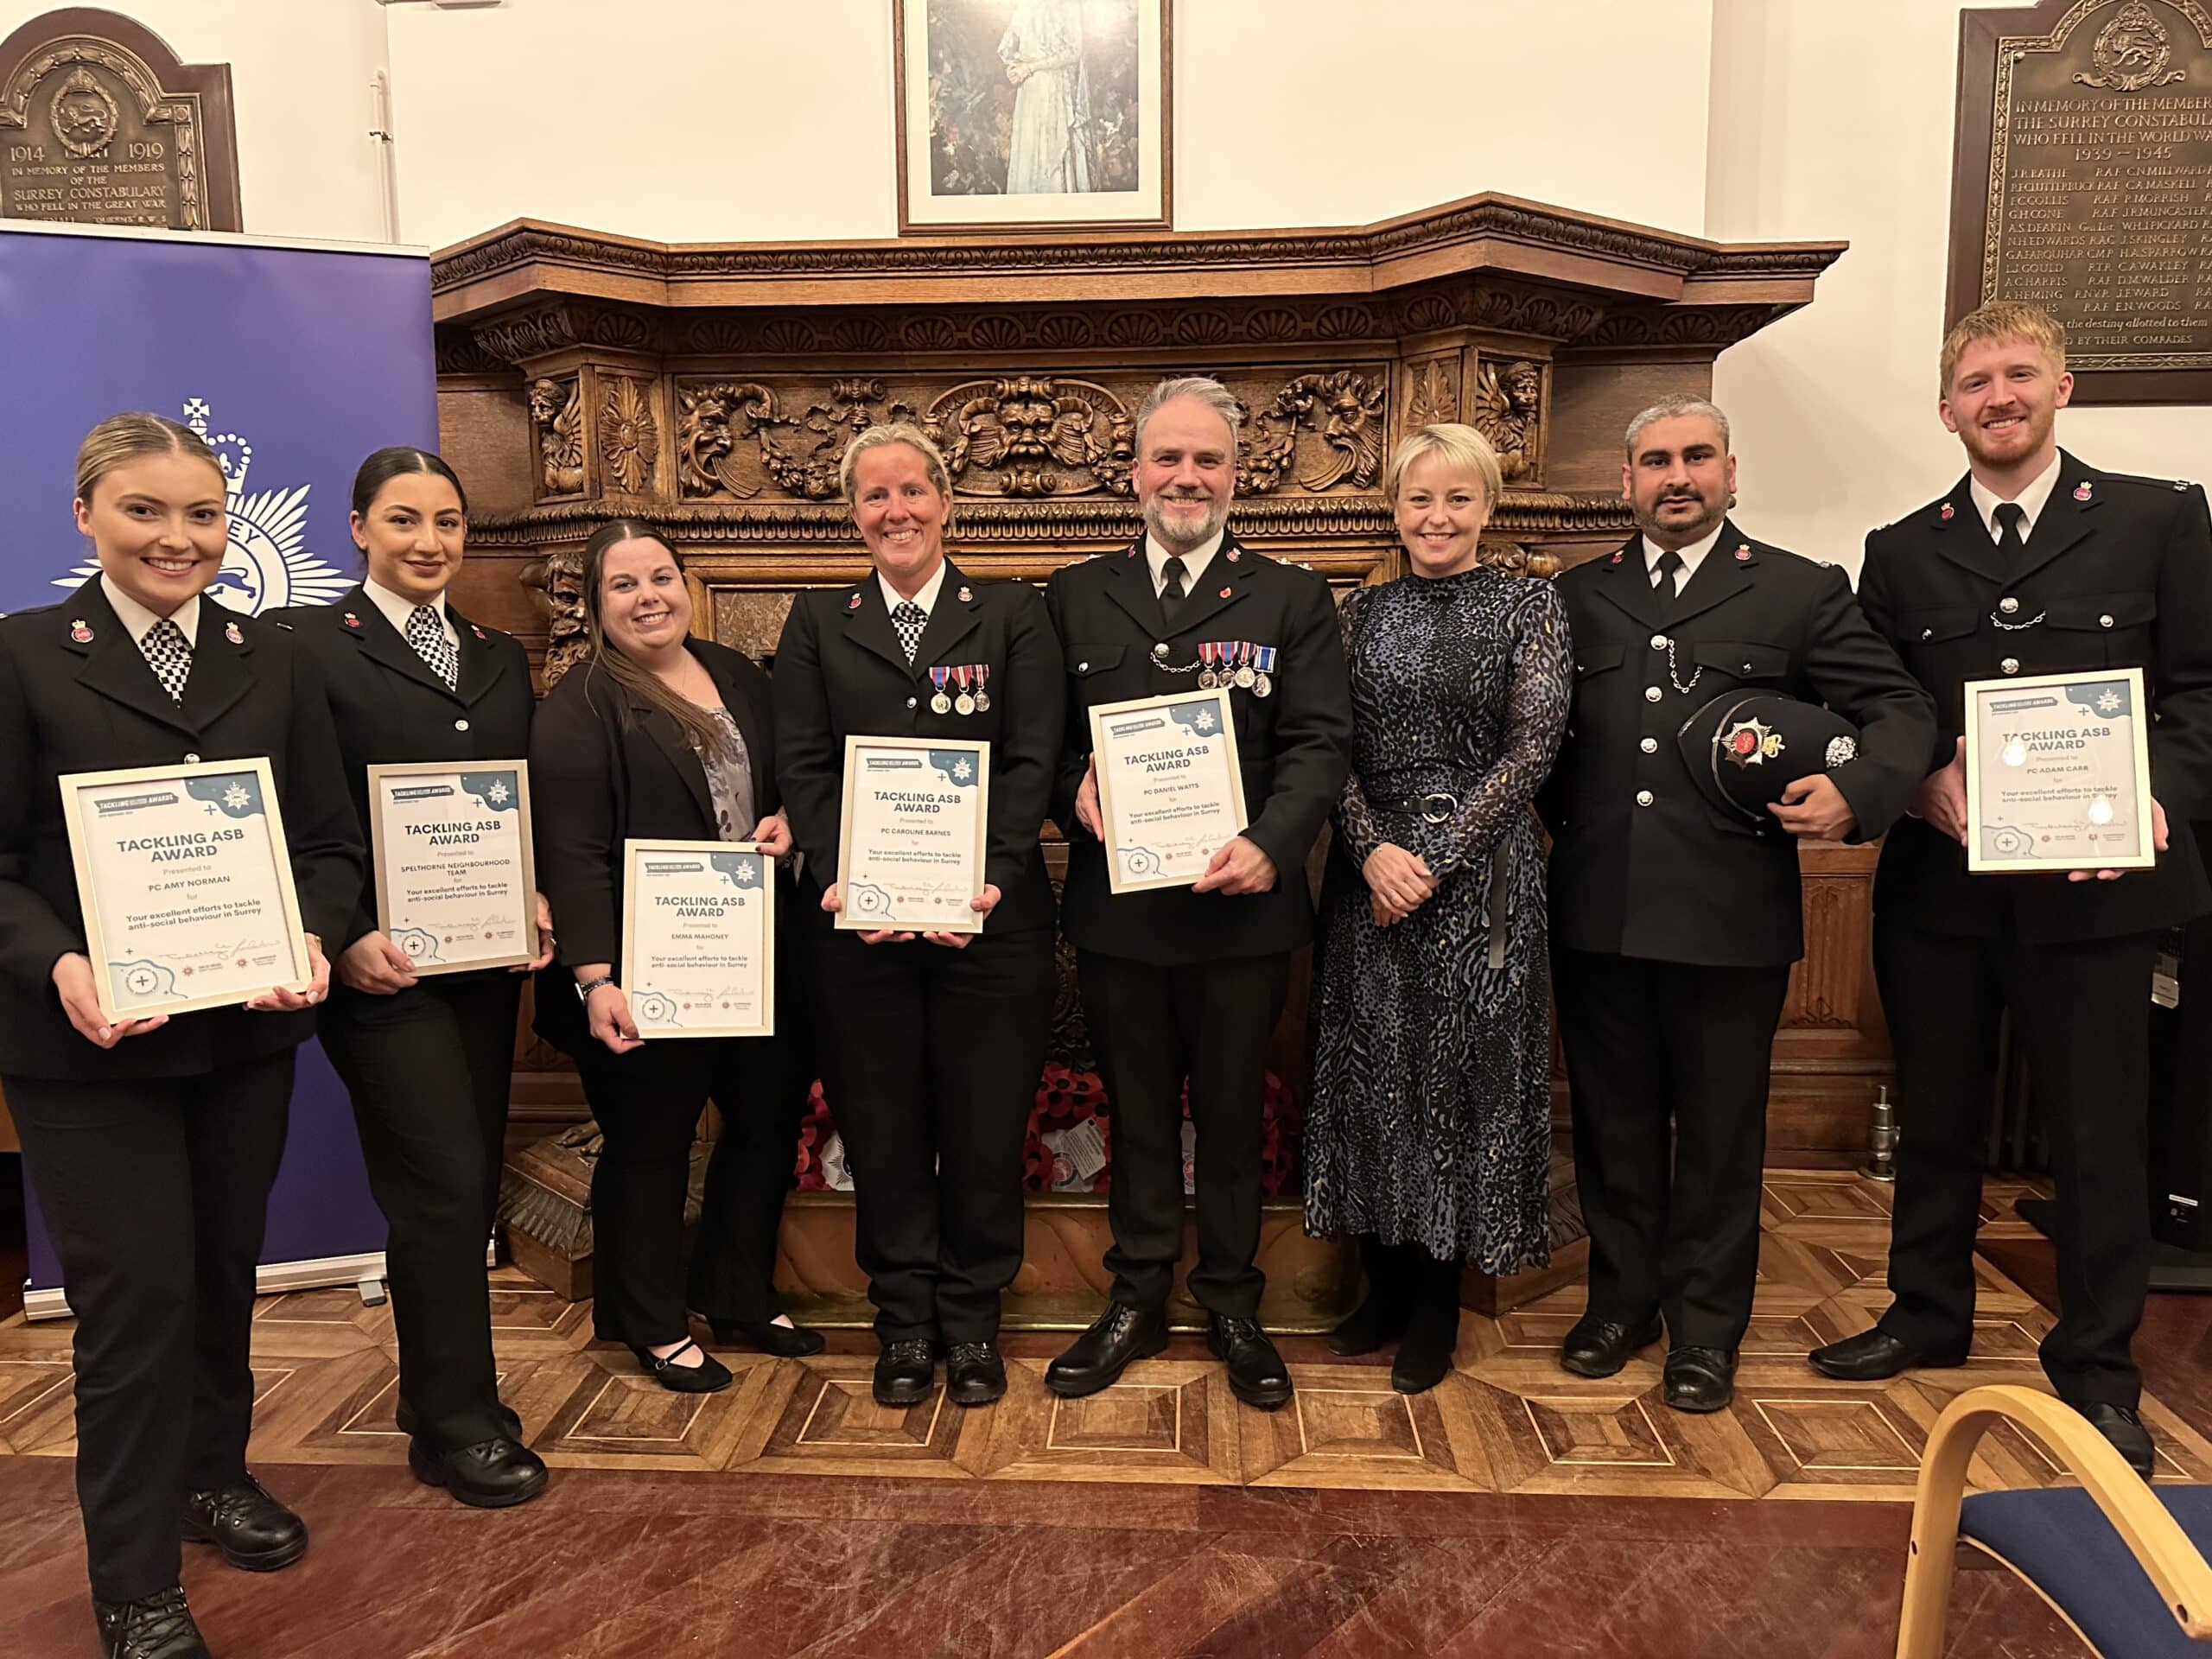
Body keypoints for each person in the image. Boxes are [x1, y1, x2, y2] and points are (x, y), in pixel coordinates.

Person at [1813, 302, 2212, 1478]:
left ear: (2062, 388)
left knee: (2098, 1141)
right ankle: (1927, 1312)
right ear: (1948, 411)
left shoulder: (2157, 520)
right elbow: (1876, 704)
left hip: (2099, 890)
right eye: (1976, 381)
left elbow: (2201, 691)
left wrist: (2157, 796)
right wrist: (1919, 780)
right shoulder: (1902, 547)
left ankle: (2097, 1370)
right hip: (1945, 888)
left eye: (2018, 374)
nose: (1999, 396)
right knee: (1934, 1119)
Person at [0, 414, 362, 1659]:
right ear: (87, 515)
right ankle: (136, 1570)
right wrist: (60, 962)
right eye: (146, 511)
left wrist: (312, 935)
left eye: (201, 515)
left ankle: (215, 1476)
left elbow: (325, 842)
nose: (178, 538)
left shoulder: (278, 657)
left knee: (219, 1272)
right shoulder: (24, 656)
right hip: (88, 1048)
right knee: (135, 1303)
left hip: (240, 1036)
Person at [1541, 395, 1934, 1414]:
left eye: (1696, 458)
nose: (1677, 478)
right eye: (1656, 462)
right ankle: (1620, 1303)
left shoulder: (1797, 592)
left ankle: (1706, 1330)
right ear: (1625, 482)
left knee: (1719, 1133)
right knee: (1613, 1124)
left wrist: (1860, 792)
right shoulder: (1574, 597)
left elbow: (1896, 709)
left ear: (1729, 473)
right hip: (1598, 908)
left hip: (1729, 914)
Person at [1044, 376, 1352, 1410]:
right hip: (1120, 916)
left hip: (1243, 911)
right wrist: (1067, 788)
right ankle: (1134, 1299)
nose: (1187, 478)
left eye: (1208, 460)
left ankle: (1230, 1301)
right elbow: (1040, 746)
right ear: (1133, 472)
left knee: (1227, 1118)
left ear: (1237, 473)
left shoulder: (1290, 596)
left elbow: (1318, 742)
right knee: (1135, 1116)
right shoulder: (1074, 593)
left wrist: (1276, 843)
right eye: (1168, 458)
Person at [272, 448, 549, 1509]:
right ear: (358, 530)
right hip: (378, 974)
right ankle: (457, 1424)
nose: (428, 542)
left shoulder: (496, 654)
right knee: (436, 1181)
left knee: (467, 1183)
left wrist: (527, 888)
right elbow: (299, 802)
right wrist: (340, 933)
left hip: (480, 966)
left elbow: (507, 795)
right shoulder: (303, 645)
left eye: (446, 521)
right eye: (403, 520)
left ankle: (439, 1394)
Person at [773, 424, 1063, 1408]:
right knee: (884, 1130)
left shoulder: (1013, 615)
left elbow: (1031, 760)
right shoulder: (818, 620)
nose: (894, 510)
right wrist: (848, 877)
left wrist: (983, 877)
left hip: (993, 923)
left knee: (985, 1131)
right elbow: (803, 766)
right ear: (853, 515)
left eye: (911, 491)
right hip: (861, 929)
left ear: (946, 502)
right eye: (873, 496)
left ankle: (973, 1323)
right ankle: (903, 1324)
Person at [1305, 423, 1572, 1395]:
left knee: (1456, 1090)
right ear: (1395, 509)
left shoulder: (1529, 604)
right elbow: (1322, 740)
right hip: (1365, 876)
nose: (1437, 517)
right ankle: (1379, 1290)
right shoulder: (1357, 615)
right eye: (1420, 499)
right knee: (1372, 1083)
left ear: (1487, 509)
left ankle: (1435, 1311)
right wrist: (1373, 849)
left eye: (1458, 499)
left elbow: (1530, 750)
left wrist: (1435, 854)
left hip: (1482, 883)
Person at [532, 520, 819, 1395]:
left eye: (661, 576)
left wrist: (790, 823)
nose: (648, 596)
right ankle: (649, 1320)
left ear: (687, 585)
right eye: (623, 585)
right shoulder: (578, 704)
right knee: (650, 1143)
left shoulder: (736, 676)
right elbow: (571, 853)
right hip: (640, 972)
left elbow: (778, 788)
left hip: (752, 959)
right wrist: (596, 979)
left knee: (765, 1123)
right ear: (593, 603)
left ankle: (734, 1289)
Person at [998, 0, 1091, 194]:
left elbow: (1074, 51)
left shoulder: (1067, 5)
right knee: (1029, 154)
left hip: (1053, 86)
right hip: (1029, 89)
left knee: (1051, 155)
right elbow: (1011, 45)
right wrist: (1014, 66)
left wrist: (1030, 67)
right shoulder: (1026, 5)